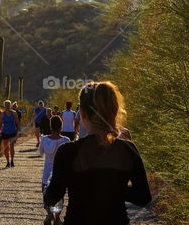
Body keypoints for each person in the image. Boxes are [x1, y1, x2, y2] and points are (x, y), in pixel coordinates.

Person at [43, 81, 152, 225]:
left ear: (82, 114)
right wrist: (114, 186)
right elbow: (144, 197)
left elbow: (52, 197)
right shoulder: (128, 150)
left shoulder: (67, 152)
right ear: (114, 111)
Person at [39, 115, 70, 225]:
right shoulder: (66, 140)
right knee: (60, 196)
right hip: (60, 174)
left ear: (50, 126)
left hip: (47, 173)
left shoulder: (44, 139)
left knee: (45, 194)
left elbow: (41, 153)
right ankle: (57, 218)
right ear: (61, 126)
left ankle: (49, 213)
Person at [0, 99, 21, 167]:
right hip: (5, 132)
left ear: (10, 105)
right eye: (6, 105)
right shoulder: (2, 114)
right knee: (6, 148)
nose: (7, 106)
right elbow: (0, 123)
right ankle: (7, 162)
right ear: (4, 106)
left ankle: (12, 160)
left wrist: (19, 130)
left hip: (13, 131)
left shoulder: (14, 113)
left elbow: (17, 122)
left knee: (12, 146)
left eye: (8, 105)